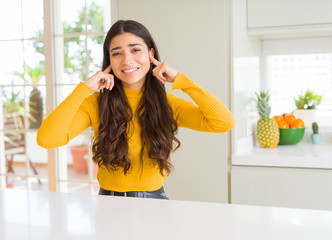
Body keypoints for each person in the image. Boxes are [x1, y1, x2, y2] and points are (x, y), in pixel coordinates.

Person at [37, 20, 235, 200]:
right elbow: (47, 139)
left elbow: (223, 122)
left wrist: (182, 80)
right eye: (117, 53)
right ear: (109, 62)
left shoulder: (169, 104)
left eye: (135, 50)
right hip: (108, 203)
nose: (127, 61)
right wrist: (84, 89)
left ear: (151, 54)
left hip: (155, 202)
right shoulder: (95, 104)